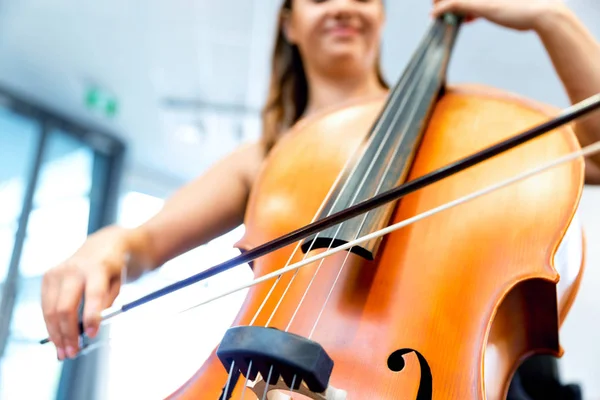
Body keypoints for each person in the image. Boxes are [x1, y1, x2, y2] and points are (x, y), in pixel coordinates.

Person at [41, 0, 600, 396]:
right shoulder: (274, 156)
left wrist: (551, 17)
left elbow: (595, 152)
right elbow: (141, 244)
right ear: (289, 21)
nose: (341, 7)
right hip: (266, 378)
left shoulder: (467, 128)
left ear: (381, 13)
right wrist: (102, 249)